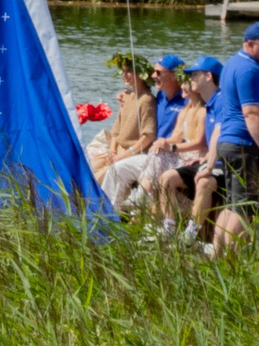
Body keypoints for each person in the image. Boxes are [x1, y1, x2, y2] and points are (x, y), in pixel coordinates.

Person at [209, 22, 259, 255]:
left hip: (230, 143)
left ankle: (217, 258)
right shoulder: (249, 70)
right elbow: (251, 112)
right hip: (244, 144)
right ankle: (230, 263)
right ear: (249, 43)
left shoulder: (235, 63)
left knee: (231, 204)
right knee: (245, 208)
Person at [154, 56, 222, 238]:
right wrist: (205, 157)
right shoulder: (210, 105)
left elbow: (219, 136)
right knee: (166, 178)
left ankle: (190, 236)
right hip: (207, 159)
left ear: (208, 76)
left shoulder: (222, 102)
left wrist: (208, 163)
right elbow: (211, 141)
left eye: (194, 75)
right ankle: (169, 228)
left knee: (204, 181)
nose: (189, 79)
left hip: (224, 165)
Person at [93, 55, 162, 214]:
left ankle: (103, 214)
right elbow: (116, 131)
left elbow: (148, 136)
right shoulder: (127, 97)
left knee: (99, 178)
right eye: (123, 71)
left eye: (130, 71)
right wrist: (111, 151)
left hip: (133, 152)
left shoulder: (147, 100)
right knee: (88, 168)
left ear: (142, 74)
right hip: (116, 150)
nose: (125, 75)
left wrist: (121, 156)